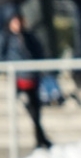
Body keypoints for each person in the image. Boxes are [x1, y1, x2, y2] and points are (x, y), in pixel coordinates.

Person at [3, 11, 49, 147]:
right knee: (31, 112)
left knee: (36, 112)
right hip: (19, 81)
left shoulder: (30, 37)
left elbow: (39, 53)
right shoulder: (6, 38)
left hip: (33, 79)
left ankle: (41, 140)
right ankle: (41, 140)